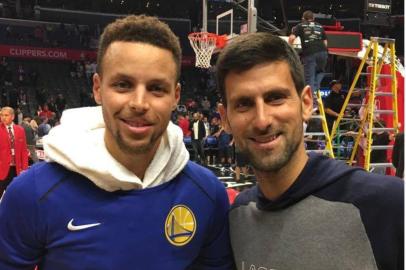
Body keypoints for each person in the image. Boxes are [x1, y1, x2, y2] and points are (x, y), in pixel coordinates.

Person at [0, 15, 234, 270]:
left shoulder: (207, 194)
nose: (139, 103)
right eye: (123, 85)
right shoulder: (32, 194)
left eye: (157, 88)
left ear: (176, 95)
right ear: (98, 88)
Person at [216, 32, 403, 270]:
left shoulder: (389, 206)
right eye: (244, 104)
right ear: (225, 118)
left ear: (306, 104)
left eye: (275, 98)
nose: (262, 120)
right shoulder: (238, 218)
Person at [289, 10, 328, 96]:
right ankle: (316, 87)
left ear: (303, 18)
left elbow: (292, 38)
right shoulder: (319, 26)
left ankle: (311, 99)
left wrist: (289, 48)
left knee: (309, 77)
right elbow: (325, 42)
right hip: (323, 52)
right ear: (313, 18)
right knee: (320, 71)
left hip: (310, 53)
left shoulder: (300, 26)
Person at [0, 107, 29, 196]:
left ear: (12, 117)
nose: (3, 117)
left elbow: (23, 151)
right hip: (2, 168)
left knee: (15, 195)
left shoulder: (20, 130)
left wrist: (24, 169)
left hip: (16, 169)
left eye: (6, 115)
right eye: (1, 115)